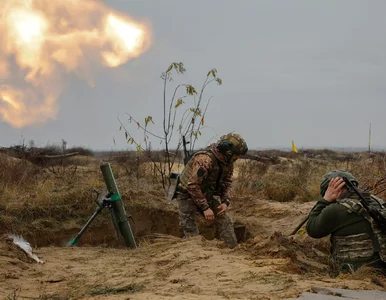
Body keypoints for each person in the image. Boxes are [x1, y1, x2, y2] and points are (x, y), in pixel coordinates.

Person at [175, 133, 248, 248]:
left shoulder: (228, 162)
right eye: (236, 155)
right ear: (228, 151)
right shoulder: (205, 160)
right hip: (187, 195)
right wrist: (205, 208)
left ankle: (232, 250)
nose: (237, 158)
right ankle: (195, 255)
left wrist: (225, 202)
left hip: (205, 194)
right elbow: (192, 185)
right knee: (190, 228)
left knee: (225, 220)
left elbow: (227, 183)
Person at [306, 169, 386, 275]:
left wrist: (325, 200)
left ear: (331, 189)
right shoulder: (378, 202)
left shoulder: (336, 210)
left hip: (356, 274)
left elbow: (312, 229)